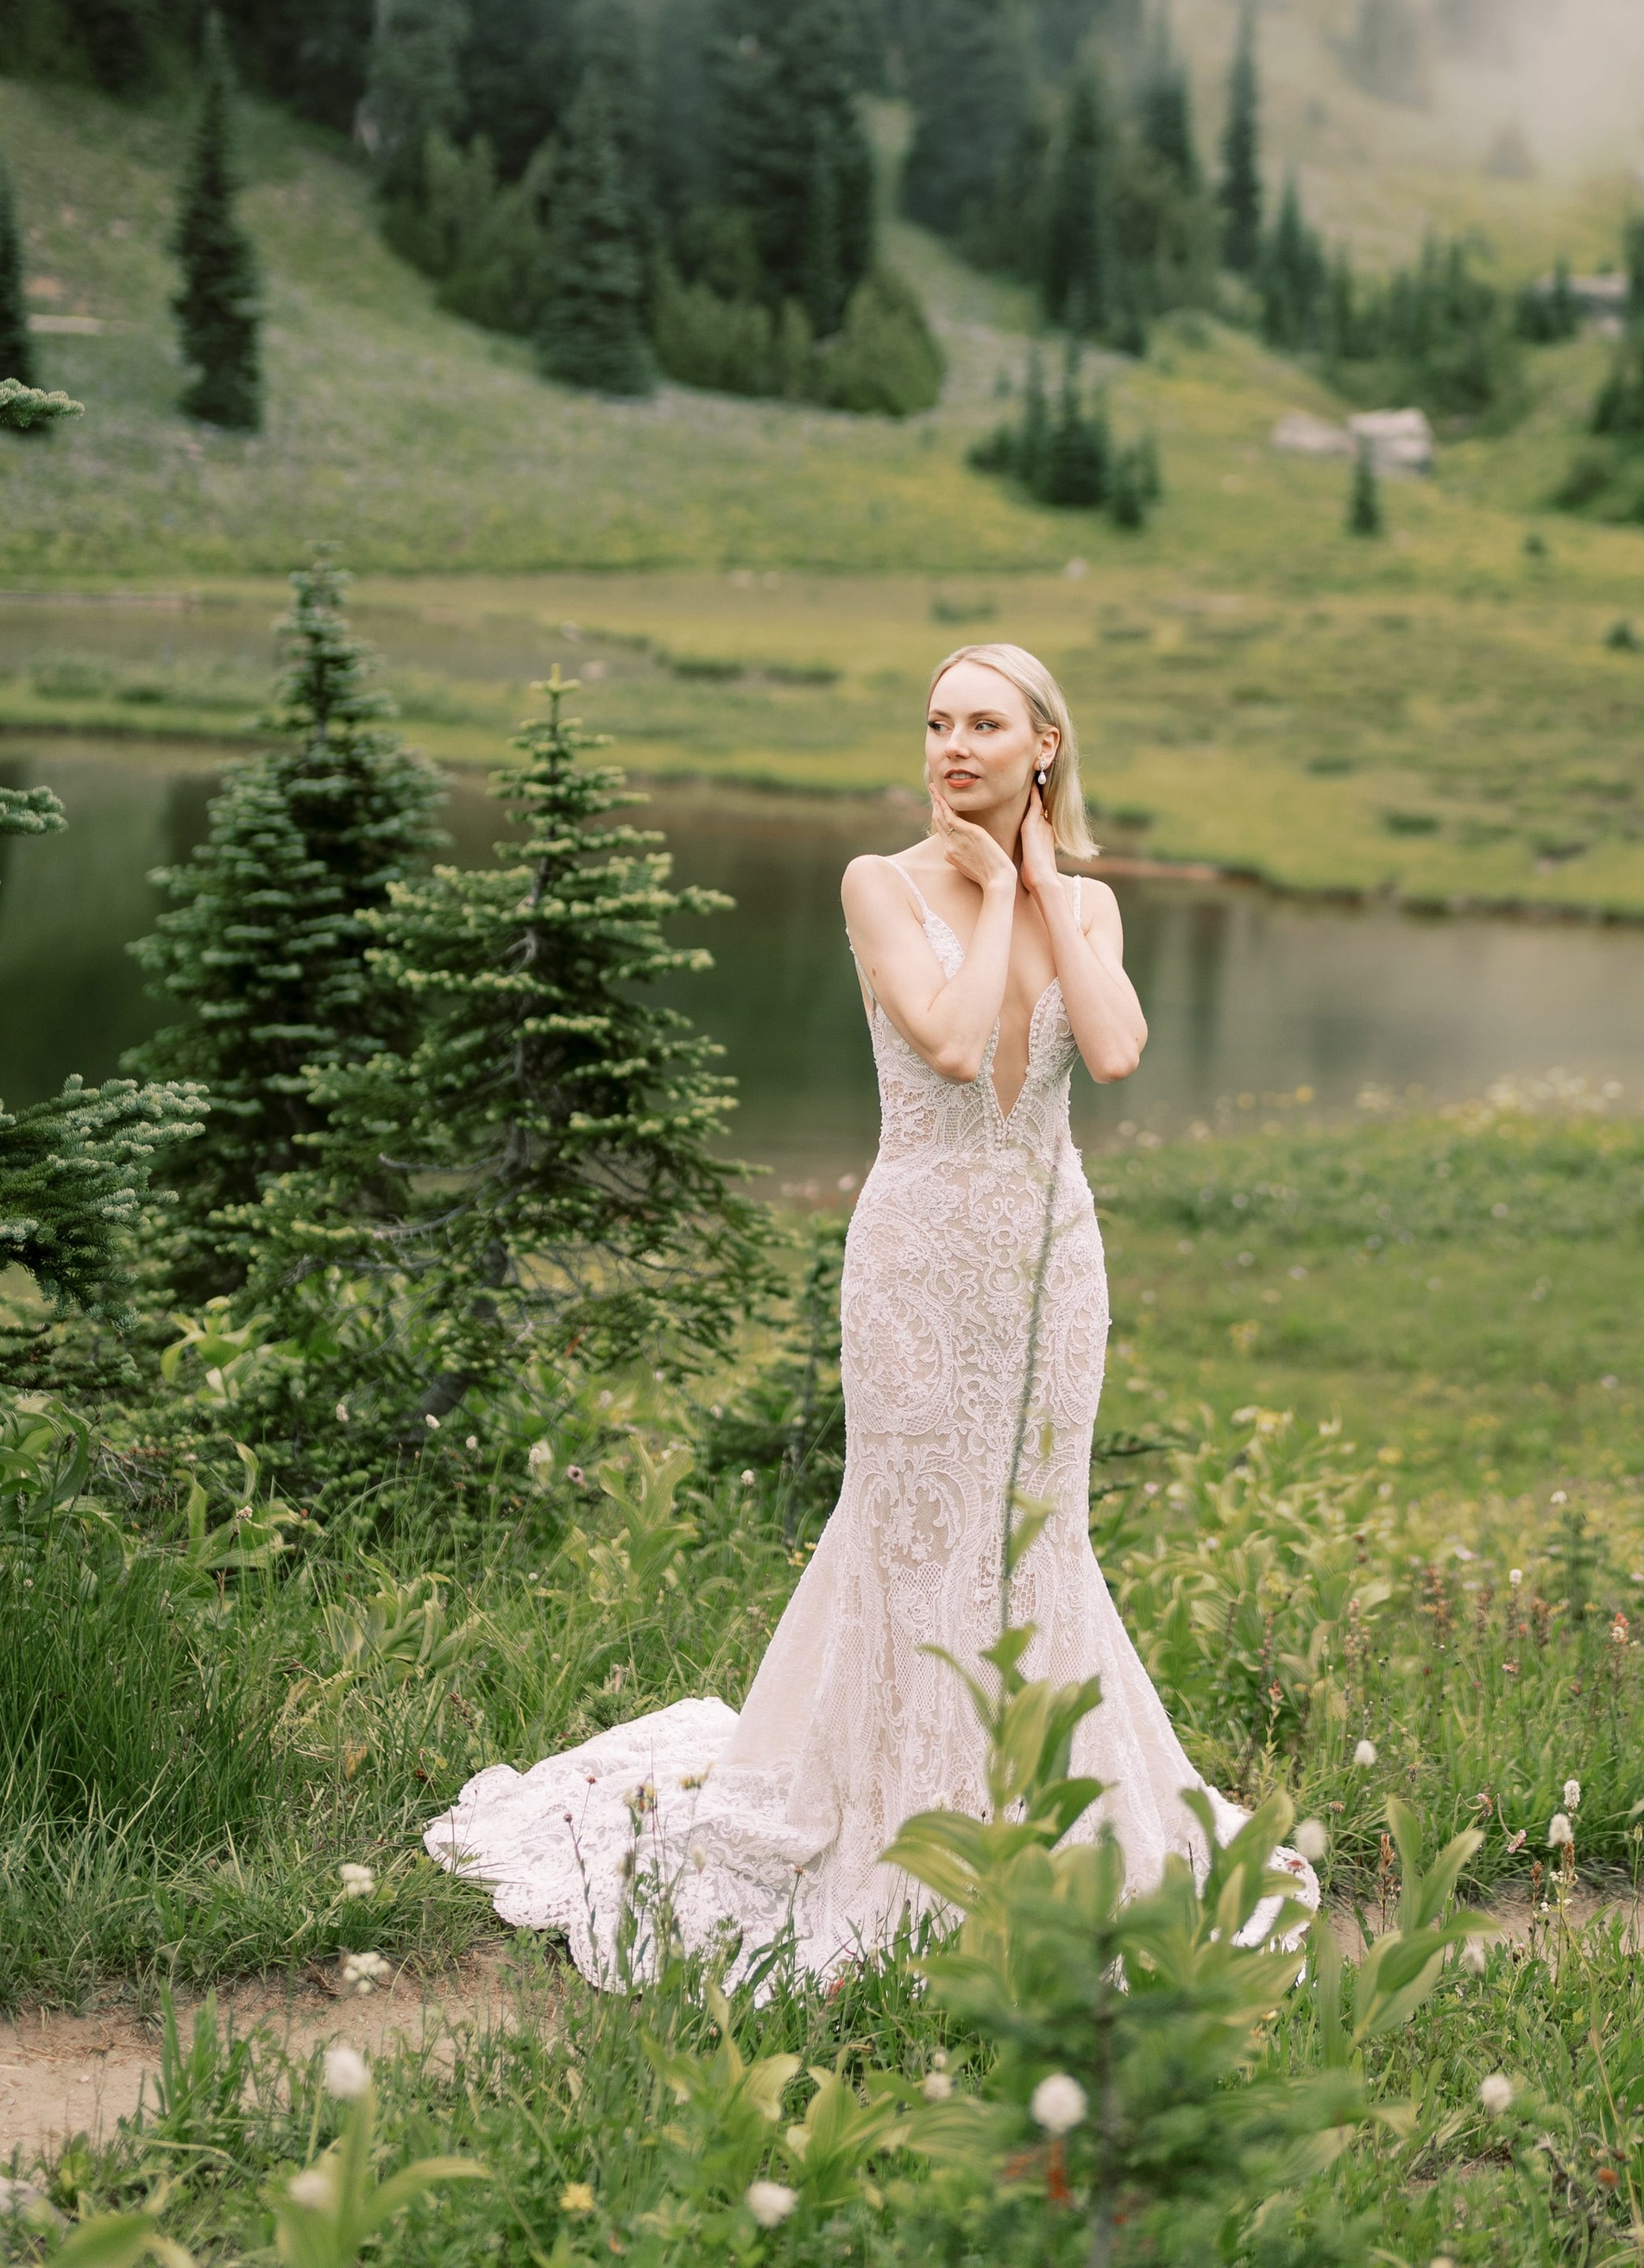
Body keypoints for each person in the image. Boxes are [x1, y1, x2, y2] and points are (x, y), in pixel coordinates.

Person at [425, 640, 1302, 1983]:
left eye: (986, 725)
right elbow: (949, 1043)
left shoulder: (1092, 906)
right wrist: (995, 893)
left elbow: (1117, 1050)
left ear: (1044, 747)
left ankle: (1043, 1825)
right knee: (912, 1530)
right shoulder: (877, 884)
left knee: (1038, 1534)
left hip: (1051, 1262)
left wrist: (1043, 884)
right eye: (939, 723)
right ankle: (899, 1835)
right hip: (917, 1258)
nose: (954, 748)